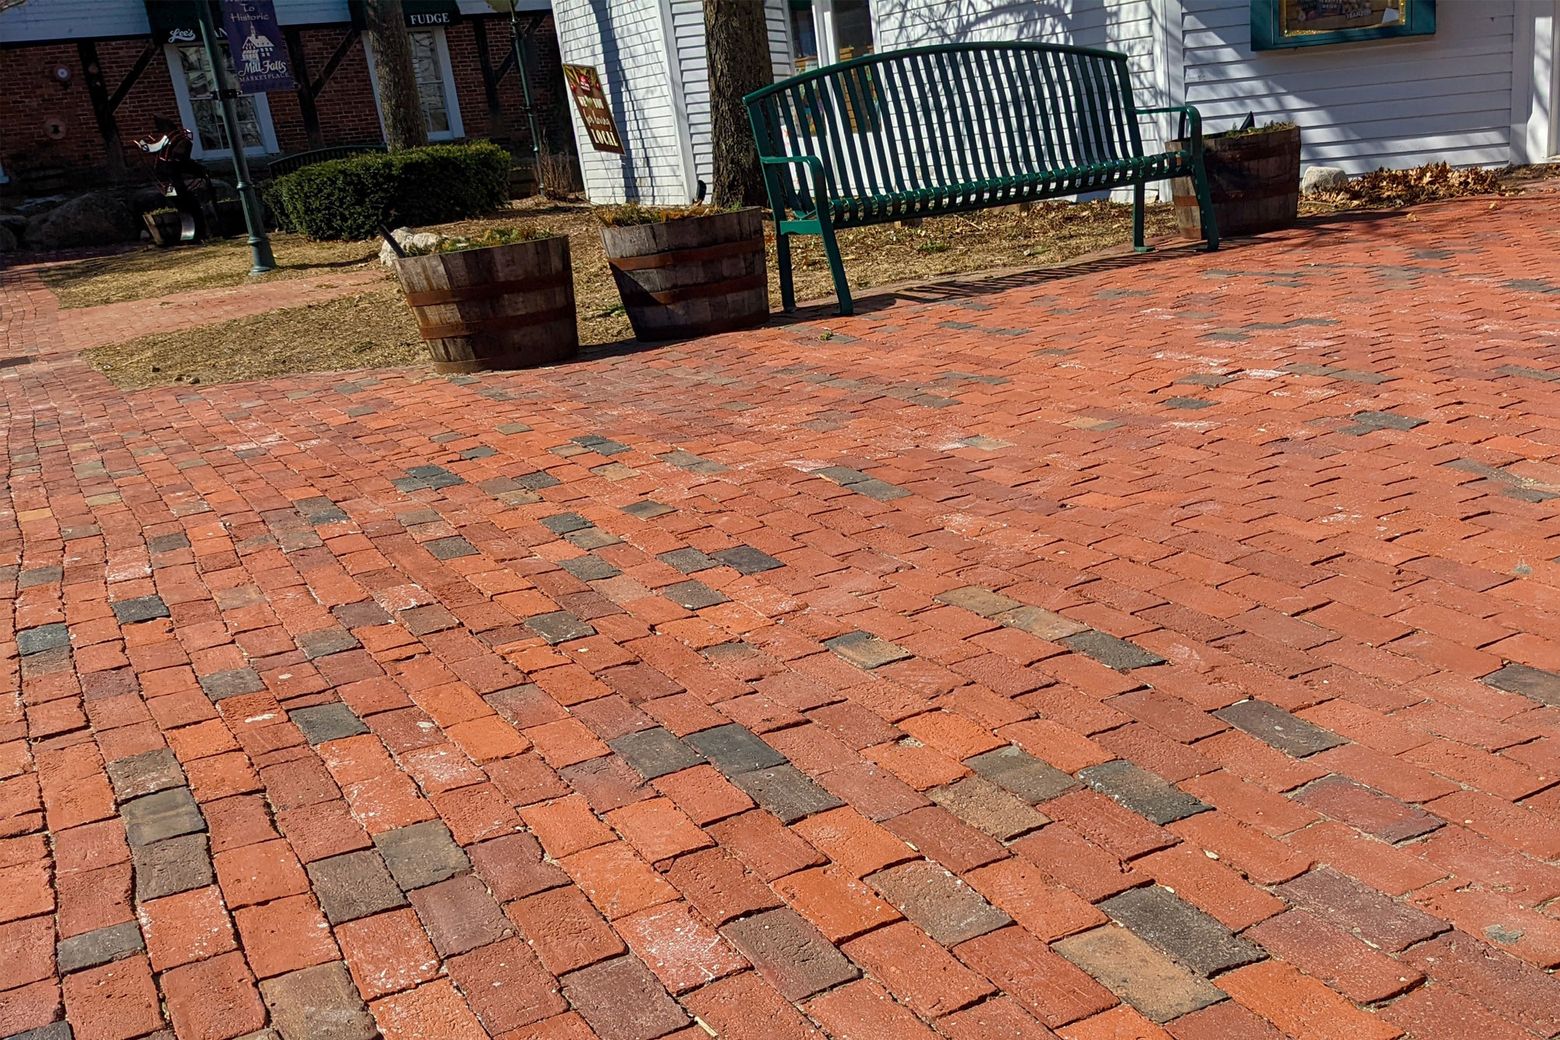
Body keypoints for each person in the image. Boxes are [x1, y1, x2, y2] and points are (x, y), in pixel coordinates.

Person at [137, 115, 209, 239]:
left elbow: (157, 149)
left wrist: (143, 144)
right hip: (171, 175)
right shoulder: (171, 138)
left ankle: (198, 231)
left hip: (174, 174)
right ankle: (193, 231)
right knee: (181, 201)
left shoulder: (175, 138)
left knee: (185, 200)